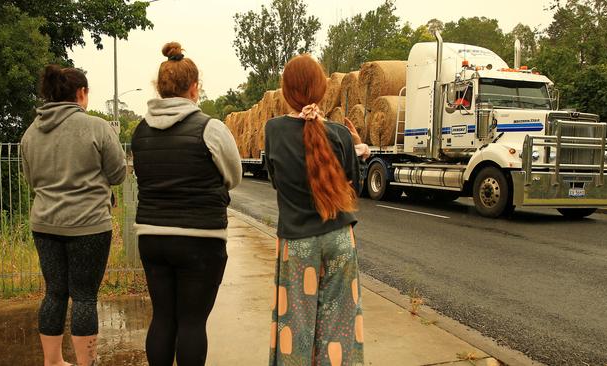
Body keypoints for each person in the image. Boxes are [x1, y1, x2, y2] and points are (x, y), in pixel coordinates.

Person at [131, 41, 242, 366]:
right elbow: (233, 177)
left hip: (152, 237)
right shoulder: (210, 129)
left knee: (163, 318)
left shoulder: (141, 131)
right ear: (194, 87)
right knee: (192, 322)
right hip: (200, 239)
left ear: (160, 87)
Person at [265, 54, 368, 366]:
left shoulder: (273, 130)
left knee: (294, 328)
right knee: (339, 329)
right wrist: (356, 148)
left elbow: (275, 179)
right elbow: (354, 189)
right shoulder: (339, 135)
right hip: (339, 240)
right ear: (323, 90)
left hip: (297, 244)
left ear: (286, 91)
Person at [21, 64, 126, 366]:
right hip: (89, 226)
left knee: (54, 293)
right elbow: (118, 174)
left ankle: (53, 362)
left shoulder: (31, 132)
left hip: (45, 224)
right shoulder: (97, 127)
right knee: (83, 297)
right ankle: (85, 363)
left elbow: (30, 179)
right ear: (81, 93)